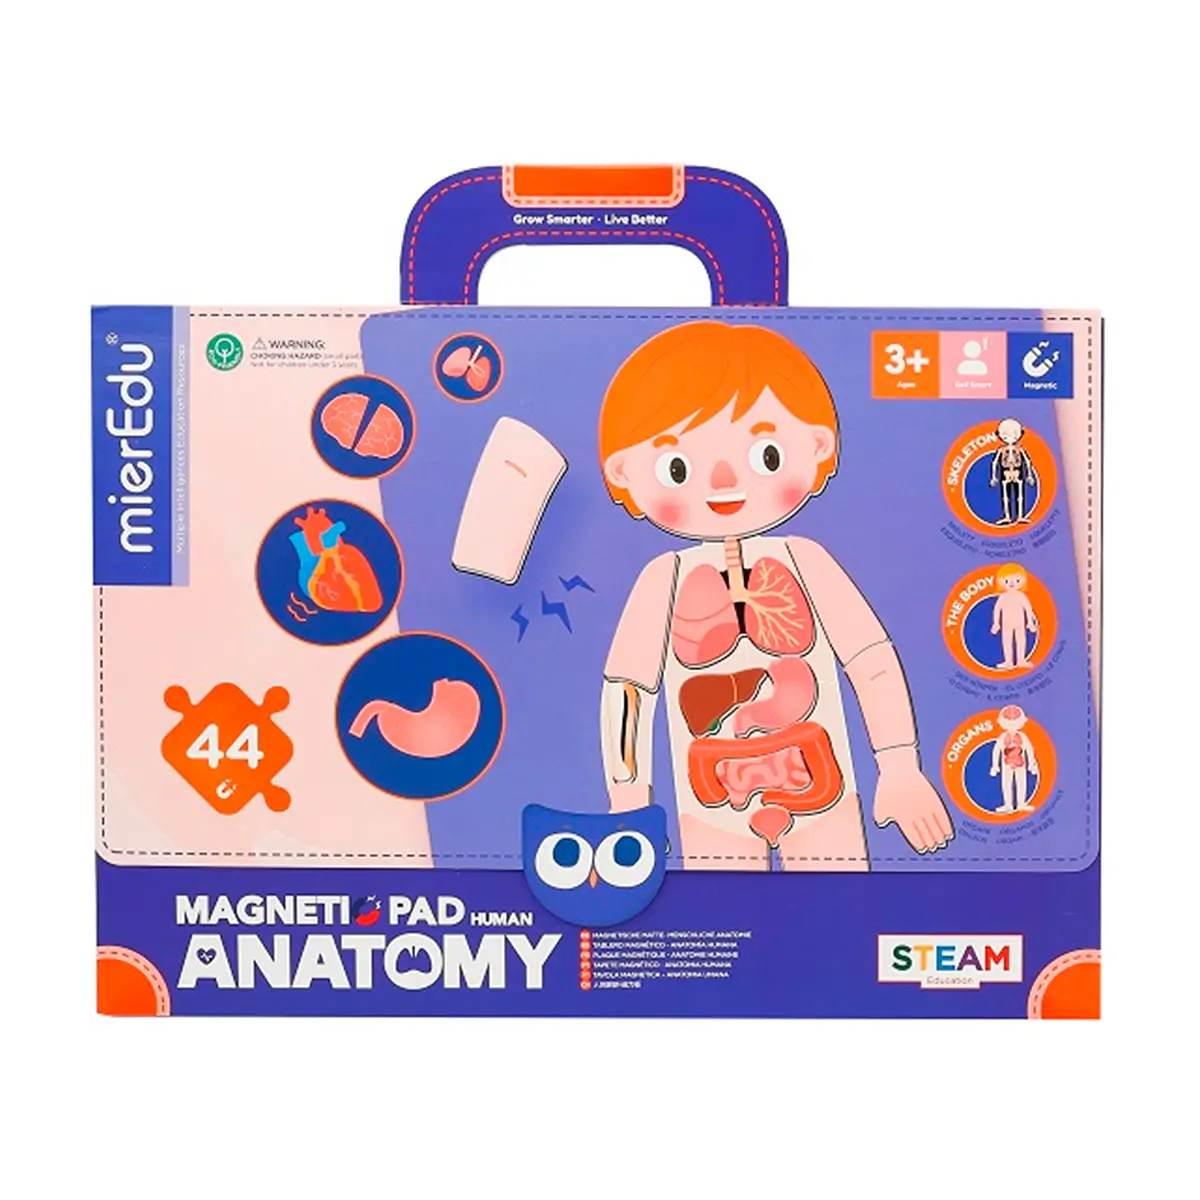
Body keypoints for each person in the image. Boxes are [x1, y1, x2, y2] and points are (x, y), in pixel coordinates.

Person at [597, 322, 954, 871]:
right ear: (623, 471)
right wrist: (627, 804)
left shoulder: (805, 560)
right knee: (721, 920)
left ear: (818, 445)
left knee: (838, 909)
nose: (723, 482)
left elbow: (870, 660)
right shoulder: (662, 579)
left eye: (766, 455)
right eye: (677, 468)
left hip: (824, 788)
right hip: (710, 797)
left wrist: (900, 767)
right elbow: (628, 693)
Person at [989, 704, 1039, 813]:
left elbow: (1029, 749)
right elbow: (996, 751)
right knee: (1006, 783)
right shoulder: (1002, 737)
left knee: (1021, 782)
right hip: (1006, 763)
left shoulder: (1023, 737)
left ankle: (1021, 804)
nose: (1012, 726)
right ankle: (1008, 804)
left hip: (1020, 763)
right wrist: (995, 765)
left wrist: (1032, 764)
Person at [989, 418, 1038, 525]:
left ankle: (1020, 516)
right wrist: (993, 476)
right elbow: (995, 462)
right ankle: (1007, 516)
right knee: (1005, 495)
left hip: (1017, 472)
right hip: (1005, 472)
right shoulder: (1001, 450)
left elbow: (1027, 461)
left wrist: (1029, 474)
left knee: (1019, 495)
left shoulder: (1020, 449)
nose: (1010, 437)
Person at [990, 564, 1039, 669]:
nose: (1011, 583)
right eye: (1007, 581)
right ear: (1001, 582)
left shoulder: (1021, 596)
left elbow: (1028, 609)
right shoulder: (1003, 597)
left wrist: (1030, 622)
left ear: (1022, 581)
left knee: (1021, 641)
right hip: (1006, 624)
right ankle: (1008, 661)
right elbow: (997, 610)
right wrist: (996, 623)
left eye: (1016, 580)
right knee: (1006, 642)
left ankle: (1021, 660)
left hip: (1020, 624)